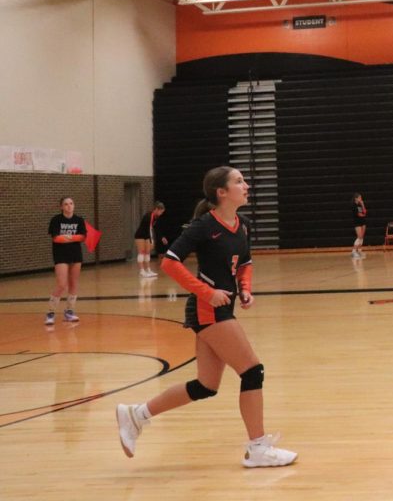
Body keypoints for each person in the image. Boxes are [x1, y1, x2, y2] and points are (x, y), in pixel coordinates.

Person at [115, 166, 297, 467]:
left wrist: (245, 288)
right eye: (239, 181)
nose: (246, 185)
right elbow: (171, 263)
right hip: (208, 309)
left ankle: (137, 414)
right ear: (221, 192)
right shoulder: (202, 226)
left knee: (205, 386)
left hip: (222, 307)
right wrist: (206, 292)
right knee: (253, 371)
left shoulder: (242, 225)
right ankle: (258, 448)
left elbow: (245, 263)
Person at [46, 197, 88, 325]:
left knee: (73, 283)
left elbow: (82, 237)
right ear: (61, 207)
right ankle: (50, 312)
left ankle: (69, 311)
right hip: (61, 254)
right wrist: (73, 238)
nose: (69, 206)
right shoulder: (56, 220)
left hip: (75, 254)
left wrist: (67, 237)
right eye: (66, 204)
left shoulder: (79, 220)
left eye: (71, 203)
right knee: (61, 284)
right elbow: (56, 238)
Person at [133, 201, 165, 279]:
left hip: (146, 235)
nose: (161, 213)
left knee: (147, 252)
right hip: (140, 235)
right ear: (157, 209)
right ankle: (142, 271)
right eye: (161, 211)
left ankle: (148, 269)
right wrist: (151, 240)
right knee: (142, 252)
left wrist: (152, 239)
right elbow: (149, 229)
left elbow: (152, 229)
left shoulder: (155, 217)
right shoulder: (149, 216)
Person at [351, 192, 367, 259]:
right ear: (356, 198)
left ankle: (359, 251)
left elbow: (365, 212)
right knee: (359, 236)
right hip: (357, 222)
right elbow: (359, 214)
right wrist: (363, 214)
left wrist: (363, 204)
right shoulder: (353, 205)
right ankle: (354, 251)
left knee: (362, 237)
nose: (361, 199)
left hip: (362, 221)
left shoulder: (360, 205)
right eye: (360, 197)